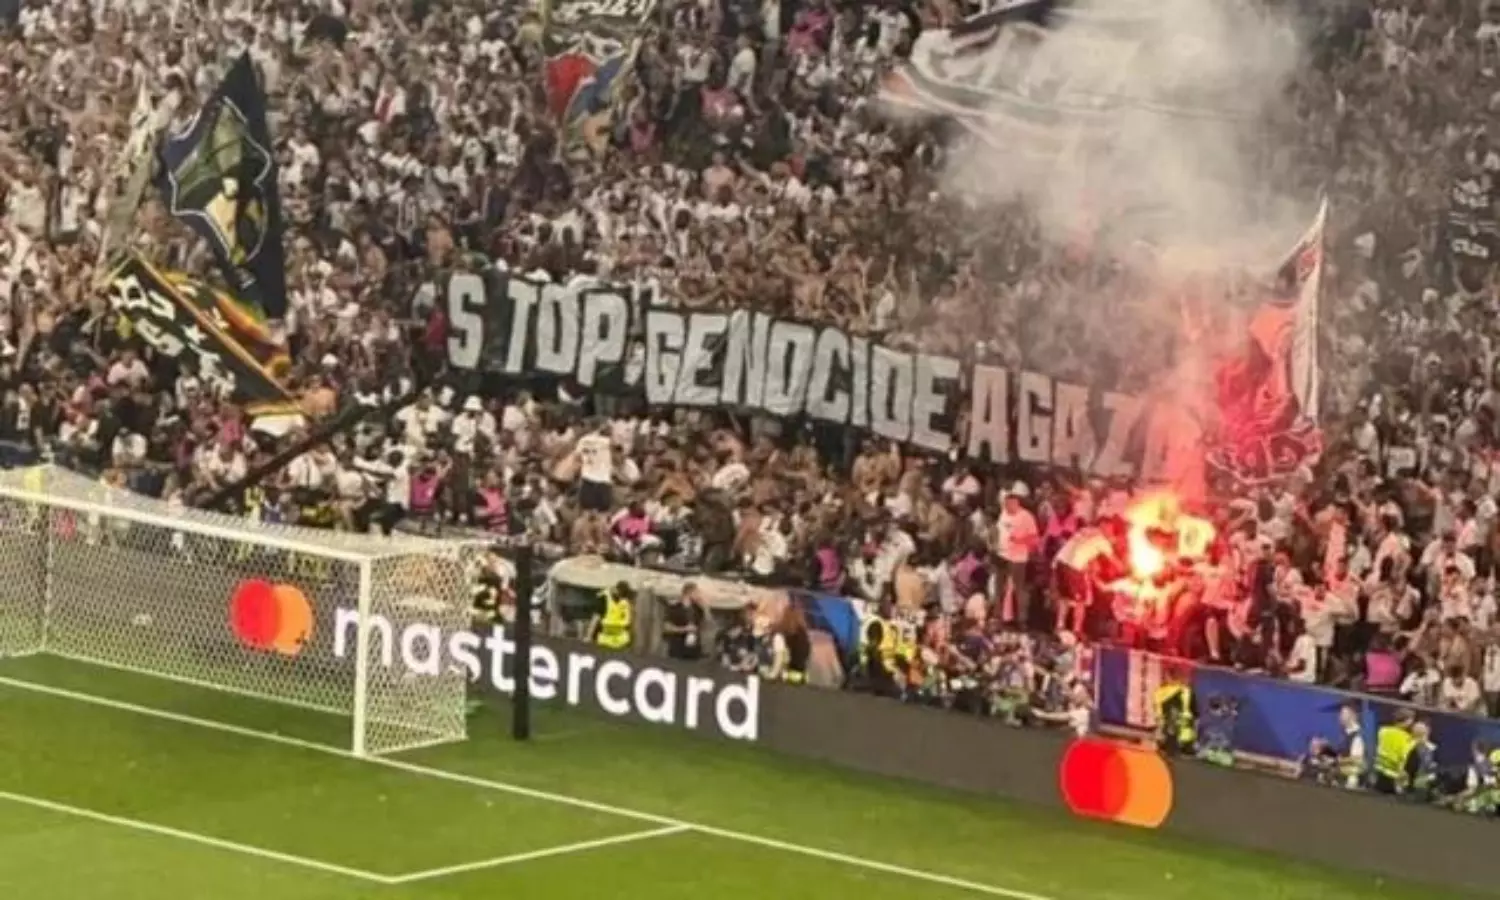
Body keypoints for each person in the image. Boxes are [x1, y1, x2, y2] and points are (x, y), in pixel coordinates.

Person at [660, 582, 705, 661]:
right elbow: (667, 627)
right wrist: (684, 629)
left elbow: (702, 626)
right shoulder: (675, 609)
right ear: (689, 593)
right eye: (696, 593)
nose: (698, 595)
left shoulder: (698, 610)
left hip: (693, 650)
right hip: (678, 649)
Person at [590, 581, 634, 652]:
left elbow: (629, 622)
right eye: (620, 595)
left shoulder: (626, 602)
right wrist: (589, 636)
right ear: (616, 590)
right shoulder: (604, 599)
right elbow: (596, 617)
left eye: (623, 596)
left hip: (621, 642)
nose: (621, 598)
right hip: (604, 640)